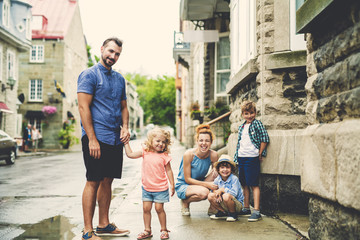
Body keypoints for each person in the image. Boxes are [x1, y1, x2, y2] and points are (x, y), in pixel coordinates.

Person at [77, 37, 130, 240]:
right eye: (110, 51)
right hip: (96, 138)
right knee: (93, 180)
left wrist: (125, 127)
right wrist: (91, 138)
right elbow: (83, 107)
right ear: (102, 49)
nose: (113, 56)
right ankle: (88, 231)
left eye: (117, 54)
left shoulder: (119, 79)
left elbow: (124, 106)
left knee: (108, 180)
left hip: (115, 138)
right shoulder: (89, 75)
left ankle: (104, 224)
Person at [124, 127, 175, 240]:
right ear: (151, 141)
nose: (161, 144)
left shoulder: (164, 156)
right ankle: (147, 230)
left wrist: (172, 184)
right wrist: (126, 143)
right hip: (147, 188)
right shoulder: (145, 152)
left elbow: (169, 171)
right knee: (146, 209)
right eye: (158, 141)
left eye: (163, 142)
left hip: (161, 189)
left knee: (159, 209)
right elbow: (130, 154)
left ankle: (164, 230)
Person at [233, 100, 270, 222]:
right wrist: (236, 157)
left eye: (252, 113)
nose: (249, 116)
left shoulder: (257, 124)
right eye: (247, 113)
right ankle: (246, 207)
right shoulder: (242, 126)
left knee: (254, 184)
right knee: (244, 184)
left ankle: (257, 211)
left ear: (255, 113)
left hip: (252, 158)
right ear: (243, 114)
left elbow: (264, 138)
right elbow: (240, 143)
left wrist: (260, 152)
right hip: (241, 157)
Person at [175, 124, 219, 216]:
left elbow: (217, 178)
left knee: (217, 173)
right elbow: (187, 179)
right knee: (204, 193)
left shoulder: (213, 155)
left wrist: (215, 169)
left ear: (211, 142)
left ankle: (213, 207)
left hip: (200, 182)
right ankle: (185, 202)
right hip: (184, 185)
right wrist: (208, 185)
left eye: (207, 141)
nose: (204, 143)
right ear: (197, 141)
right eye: (201, 140)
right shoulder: (189, 155)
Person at [208, 154, 244, 222]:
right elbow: (213, 190)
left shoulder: (234, 179)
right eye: (222, 167)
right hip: (224, 202)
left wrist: (222, 190)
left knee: (226, 196)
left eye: (227, 167)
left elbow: (234, 194)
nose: (225, 170)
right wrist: (217, 194)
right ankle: (223, 212)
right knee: (210, 196)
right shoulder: (217, 179)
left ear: (231, 169)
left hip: (236, 205)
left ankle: (233, 214)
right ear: (218, 170)